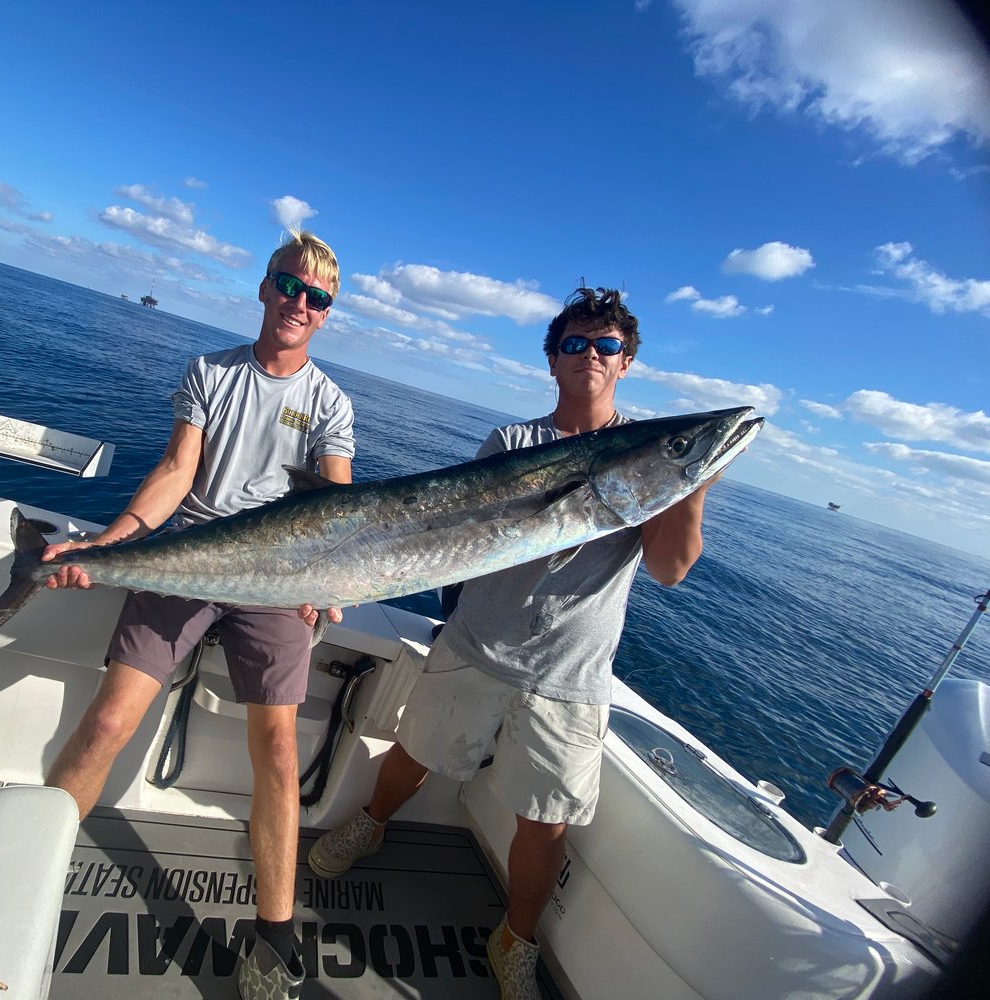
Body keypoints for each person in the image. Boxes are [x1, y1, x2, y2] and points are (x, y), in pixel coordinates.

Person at [308, 286, 717, 1000]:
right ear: (552, 361)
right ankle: (369, 825)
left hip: (571, 671)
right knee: (416, 754)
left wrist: (688, 478)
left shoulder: (650, 463)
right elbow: (460, 534)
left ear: (626, 364)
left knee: (546, 819)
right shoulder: (514, 443)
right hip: (477, 642)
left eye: (606, 345)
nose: (590, 354)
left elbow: (669, 569)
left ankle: (515, 939)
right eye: (574, 343)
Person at [41, 230, 354, 1000]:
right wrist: (109, 544)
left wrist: (330, 573)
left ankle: (273, 939)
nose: (297, 303)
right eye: (287, 285)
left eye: (315, 297)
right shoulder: (210, 371)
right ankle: (32, 862)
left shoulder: (330, 404)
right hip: (191, 552)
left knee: (279, 753)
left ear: (325, 316)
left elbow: (340, 506)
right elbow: (178, 470)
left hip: (277, 580)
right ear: (263, 287)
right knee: (109, 723)